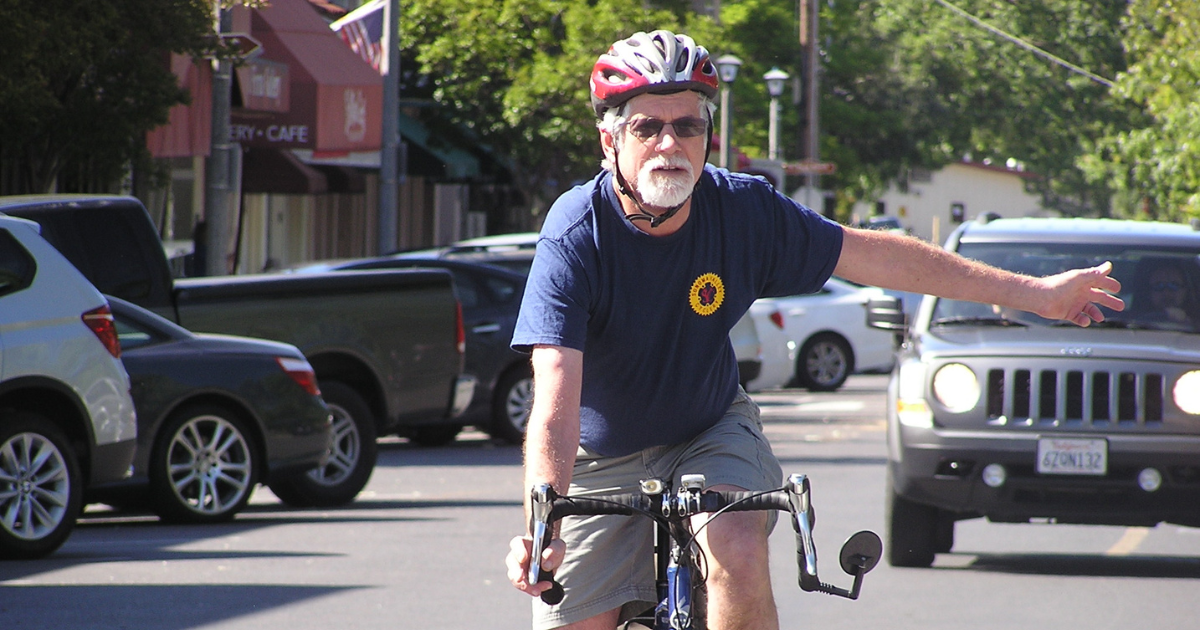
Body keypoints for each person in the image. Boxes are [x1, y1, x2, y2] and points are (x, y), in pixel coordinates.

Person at [504, 29, 1124, 630]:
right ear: (609, 141)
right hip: (599, 451)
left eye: (688, 125)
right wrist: (544, 528)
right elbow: (556, 396)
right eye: (647, 127)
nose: (670, 144)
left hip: (708, 429)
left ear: (709, 135)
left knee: (737, 547)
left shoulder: (744, 210)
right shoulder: (575, 233)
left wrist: (1037, 295)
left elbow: (884, 258)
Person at [1140, 261, 1195, 328]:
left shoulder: (1197, 324)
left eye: (1174, 285)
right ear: (1149, 292)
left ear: (1185, 290)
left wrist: (1188, 324)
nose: (1166, 293)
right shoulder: (1130, 323)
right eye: (1158, 286)